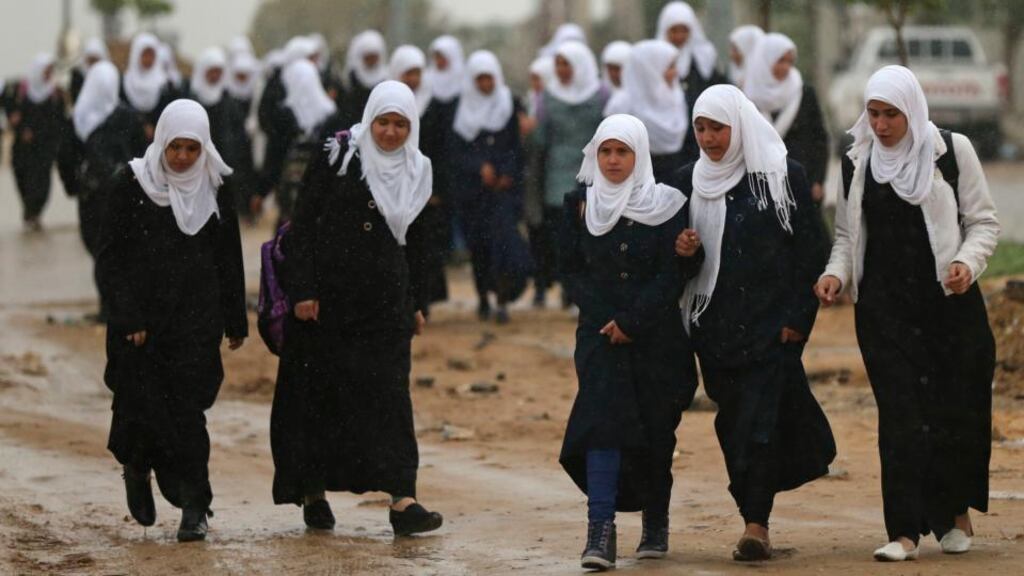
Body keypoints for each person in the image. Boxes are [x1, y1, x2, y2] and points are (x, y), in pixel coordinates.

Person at [814, 65, 999, 562]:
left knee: (950, 414)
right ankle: (903, 532)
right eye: (873, 113)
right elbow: (848, 238)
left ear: (911, 110)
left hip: (949, 308)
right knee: (900, 417)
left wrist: (964, 262)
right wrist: (837, 274)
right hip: (884, 312)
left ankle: (954, 515)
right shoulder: (857, 161)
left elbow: (983, 223)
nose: (880, 125)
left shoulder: (951, 153)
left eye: (891, 114)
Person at [271, 81, 443, 537]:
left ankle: (403, 499)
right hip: (327, 306)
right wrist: (303, 290)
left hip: (386, 305)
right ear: (370, 121)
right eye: (383, 122)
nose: (390, 132)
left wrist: (418, 302)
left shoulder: (418, 169)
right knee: (322, 398)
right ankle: (313, 491)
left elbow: (421, 244)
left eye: (400, 124)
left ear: (412, 126)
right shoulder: (340, 158)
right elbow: (302, 225)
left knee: (390, 397)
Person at [674, 85, 835, 561]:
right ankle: (751, 507)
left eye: (717, 128)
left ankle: (756, 523)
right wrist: (685, 252)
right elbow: (677, 267)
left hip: (770, 326)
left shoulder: (782, 177)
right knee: (733, 424)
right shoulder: (687, 182)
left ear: (739, 126)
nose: (708, 138)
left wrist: (798, 321)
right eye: (700, 128)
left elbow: (811, 254)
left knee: (761, 423)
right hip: (713, 324)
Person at [97, 99, 247, 543]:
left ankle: (195, 505)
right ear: (161, 142)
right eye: (175, 147)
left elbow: (228, 256)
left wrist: (235, 318)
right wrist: (128, 315)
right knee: (140, 408)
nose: (182, 157)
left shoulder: (218, 185)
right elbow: (111, 258)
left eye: (191, 149)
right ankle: (137, 468)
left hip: (195, 319)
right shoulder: (131, 182)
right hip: (140, 322)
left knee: (188, 413)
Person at [559, 114, 696, 570]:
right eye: (606, 151)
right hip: (599, 336)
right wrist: (609, 319)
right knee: (602, 425)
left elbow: (674, 273)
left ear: (640, 156)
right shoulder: (580, 203)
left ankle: (655, 522)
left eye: (622, 152)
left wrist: (633, 321)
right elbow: (572, 270)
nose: (613, 161)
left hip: (656, 339)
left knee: (656, 433)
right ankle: (600, 532)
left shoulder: (670, 204)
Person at [58, 62, 147, 321]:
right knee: (105, 251)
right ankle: (111, 307)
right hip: (100, 198)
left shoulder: (124, 117)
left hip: (111, 198)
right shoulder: (79, 118)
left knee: (109, 253)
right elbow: (66, 157)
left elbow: (142, 155)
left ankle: (114, 308)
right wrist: (74, 185)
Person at [450, 51, 532, 323]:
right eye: (480, 79)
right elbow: (456, 151)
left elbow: (516, 147)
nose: (485, 84)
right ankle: (483, 297)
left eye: (489, 78)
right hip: (473, 194)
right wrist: (478, 167)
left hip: (502, 193)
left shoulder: (509, 104)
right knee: (479, 248)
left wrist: (506, 172)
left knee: (503, 247)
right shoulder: (459, 109)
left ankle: (502, 300)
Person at [531, 40, 608, 308]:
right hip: (557, 176)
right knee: (563, 235)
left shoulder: (601, 94)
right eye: (558, 63)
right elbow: (540, 138)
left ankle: (583, 288)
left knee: (589, 234)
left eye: (567, 63)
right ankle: (569, 287)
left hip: (594, 174)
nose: (562, 69)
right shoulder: (548, 96)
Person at [392, 45, 448, 309]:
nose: (413, 79)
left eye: (417, 73)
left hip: (423, 187)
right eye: (408, 73)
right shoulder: (388, 105)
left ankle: (421, 302)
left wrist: (435, 188)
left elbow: (441, 149)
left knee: (421, 247)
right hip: (394, 186)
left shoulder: (434, 105)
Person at [743, 33, 829, 204]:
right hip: (761, 183)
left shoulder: (803, 93)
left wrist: (818, 180)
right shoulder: (748, 96)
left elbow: (819, 139)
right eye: (780, 61)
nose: (785, 67)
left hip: (801, 180)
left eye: (790, 62)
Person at [605, 40, 696, 182]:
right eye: (670, 66)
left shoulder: (678, 99)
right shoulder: (621, 106)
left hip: (678, 182)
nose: (675, 72)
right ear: (651, 69)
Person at [189, 47, 259, 224]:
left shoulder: (230, 102)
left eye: (218, 71)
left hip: (225, 165)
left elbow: (239, 137)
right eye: (211, 71)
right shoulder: (191, 101)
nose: (214, 76)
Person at [9, 53, 68, 230]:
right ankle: (29, 211)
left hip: (45, 147)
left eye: (51, 70)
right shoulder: (21, 91)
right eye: (46, 70)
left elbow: (59, 120)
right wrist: (21, 129)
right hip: (23, 148)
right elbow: (13, 115)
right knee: (23, 179)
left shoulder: (55, 94)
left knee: (42, 182)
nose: (49, 74)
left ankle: (35, 213)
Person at [655, 1, 727, 108]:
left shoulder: (704, 57)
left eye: (684, 30)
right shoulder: (656, 59)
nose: (679, 36)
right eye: (674, 31)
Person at [121, 33, 176, 141]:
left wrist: (155, 127)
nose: (148, 59)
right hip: (130, 141)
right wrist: (142, 125)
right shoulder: (125, 83)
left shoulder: (165, 85)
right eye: (144, 55)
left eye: (152, 55)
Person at [339, 30, 388, 126]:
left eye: (374, 57)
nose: (372, 61)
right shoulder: (353, 79)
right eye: (368, 57)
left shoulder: (386, 78)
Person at [71, 38, 110, 103]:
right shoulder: (78, 76)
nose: (93, 64)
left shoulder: (107, 75)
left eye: (95, 60)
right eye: (90, 60)